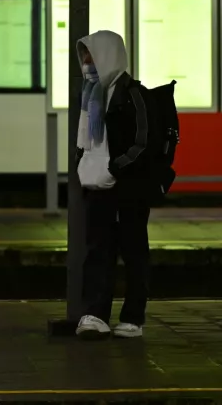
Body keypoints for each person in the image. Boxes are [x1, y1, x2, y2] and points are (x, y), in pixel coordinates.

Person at [73, 31, 152, 340]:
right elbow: (85, 140)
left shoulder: (134, 94)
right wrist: (85, 167)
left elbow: (142, 142)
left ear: (109, 55)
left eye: (91, 55)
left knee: (133, 251)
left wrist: (115, 168)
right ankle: (95, 314)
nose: (87, 62)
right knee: (97, 250)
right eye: (84, 56)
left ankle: (133, 318)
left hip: (128, 189)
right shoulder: (91, 93)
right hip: (97, 188)